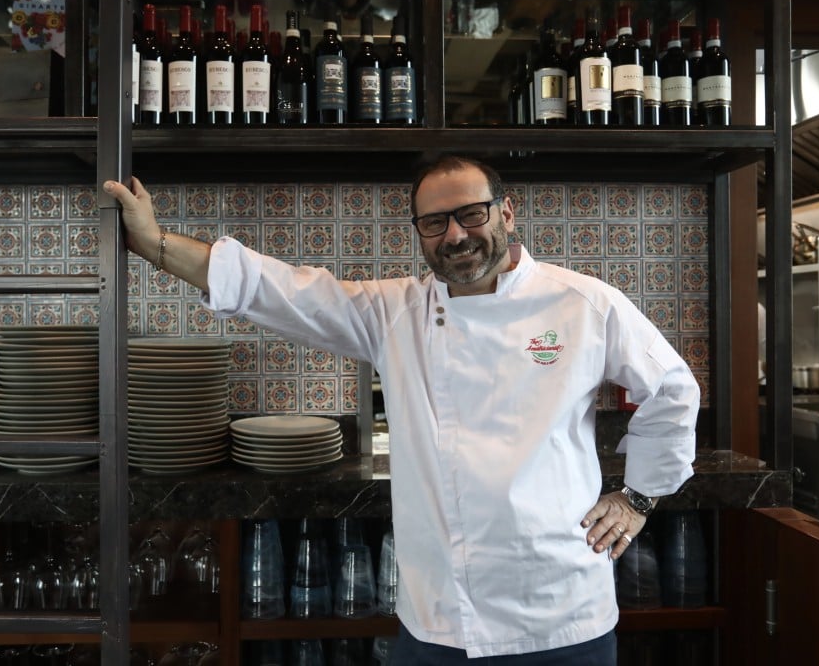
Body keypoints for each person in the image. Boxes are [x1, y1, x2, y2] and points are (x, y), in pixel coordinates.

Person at [103, 155, 699, 665]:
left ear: (506, 213)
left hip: (560, 615)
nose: (457, 235)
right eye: (435, 222)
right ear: (419, 232)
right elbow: (281, 290)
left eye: (471, 214)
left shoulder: (585, 304)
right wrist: (154, 242)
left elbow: (674, 388)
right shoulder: (397, 312)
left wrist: (639, 496)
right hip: (437, 619)